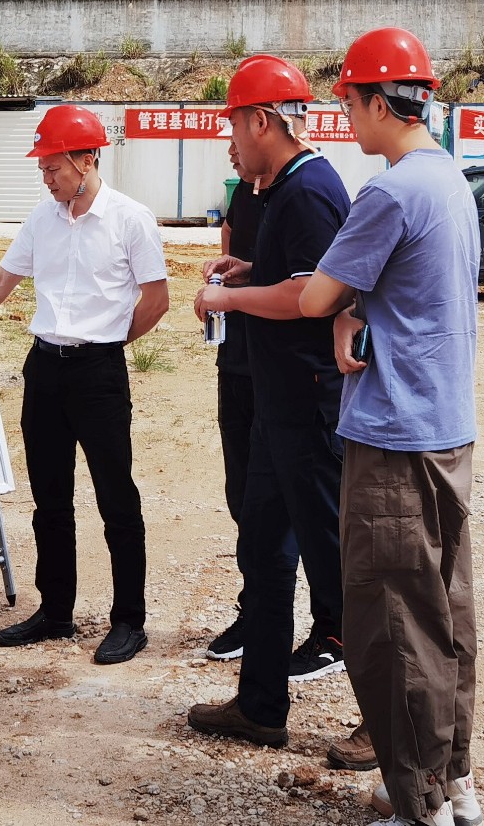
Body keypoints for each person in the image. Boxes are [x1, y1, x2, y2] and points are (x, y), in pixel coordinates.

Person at [0, 104, 168, 665]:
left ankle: (129, 620)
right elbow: (2, 280)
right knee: (50, 498)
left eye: (53, 167)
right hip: (44, 369)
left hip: (98, 374)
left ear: (85, 160)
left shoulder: (130, 219)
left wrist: (108, 345)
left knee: (116, 498)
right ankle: (55, 611)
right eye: (42, 168)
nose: (46, 177)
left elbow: (157, 299)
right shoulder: (41, 219)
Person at [299, 27, 483, 826]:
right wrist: (360, 307)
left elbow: (314, 296)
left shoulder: (390, 191)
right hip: (445, 426)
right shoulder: (449, 180)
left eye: (347, 102)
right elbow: (400, 292)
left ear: (379, 102)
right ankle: (452, 782)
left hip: (393, 436)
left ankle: (418, 805)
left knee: (393, 626)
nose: (345, 117)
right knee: (444, 614)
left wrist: (339, 302)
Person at [187, 55, 352, 749]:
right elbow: (299, 272)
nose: (231, 139)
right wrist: (252, 269)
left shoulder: (308, 189)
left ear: (261, 121)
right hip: (276, 405)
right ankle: (259, 703)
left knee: (334, 561)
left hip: (307, 406)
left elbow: (312, 294)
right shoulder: (284, 188)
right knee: (263, 549)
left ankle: (386, 718)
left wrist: (229, 297)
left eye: (234, 124)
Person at [202, 133, 268, 662]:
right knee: (243, 494)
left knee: (290, 505)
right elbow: (234, 245)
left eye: (238, 136)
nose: (230, 150)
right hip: (237, 361)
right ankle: (256, 610)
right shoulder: (245, 192)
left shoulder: (303, 192)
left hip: (280, 371)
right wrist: (221, 281)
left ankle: (331, 625)